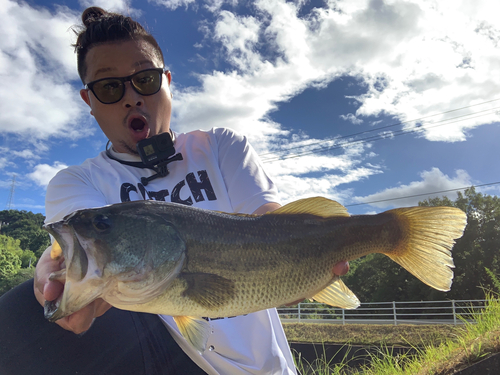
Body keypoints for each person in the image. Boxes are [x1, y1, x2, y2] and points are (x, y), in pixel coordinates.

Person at [0, 7, 349, 375]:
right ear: (89, 101)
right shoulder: (77, 182)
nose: (131, 97)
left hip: (263, 366)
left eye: (145, 79)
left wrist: (312, 258)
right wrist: (58, 272)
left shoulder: (221, 147)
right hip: (160, 352)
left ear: (167, 80)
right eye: (109, 87)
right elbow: (86, 249)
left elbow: (274, 230)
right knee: (20, 311)